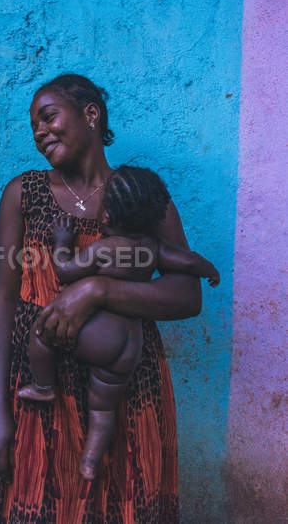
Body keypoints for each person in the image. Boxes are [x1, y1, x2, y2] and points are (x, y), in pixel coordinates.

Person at [0, 74, 202, 523]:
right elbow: (4, 301)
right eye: (34, 127)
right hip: (40, 390)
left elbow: (186, 295)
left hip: (124, 385)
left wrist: (97, 289)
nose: (40, 132)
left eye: (48, 117)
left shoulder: (138, 194)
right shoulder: (22, 195)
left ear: (91, 113)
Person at [17, 165, 219, 481]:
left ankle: (44, 387)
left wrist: (62, 242)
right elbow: (189, 261)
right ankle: (90, 460)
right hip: (129, 343)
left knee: (41, 332)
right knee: (103, 408)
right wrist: (210, 270)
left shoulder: (103, 248)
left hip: (99, 334)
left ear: (107, 217)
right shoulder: (153, 248)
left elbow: (66, 271)